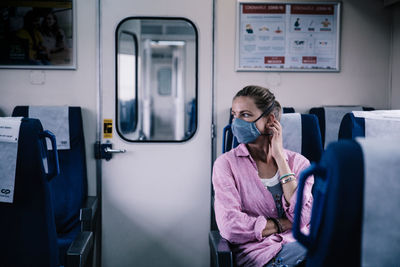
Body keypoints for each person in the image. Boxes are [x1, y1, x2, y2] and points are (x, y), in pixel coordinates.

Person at [212, 85, 314, 267]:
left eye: (245, 115)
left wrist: (281, 159)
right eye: (234, 115)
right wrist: (281, 224)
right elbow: (230, 226)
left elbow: (304, 217)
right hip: (258, 254)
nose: (236, 122)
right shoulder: (226, 164)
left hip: (301, 244)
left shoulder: (299, 163)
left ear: (270, 120)